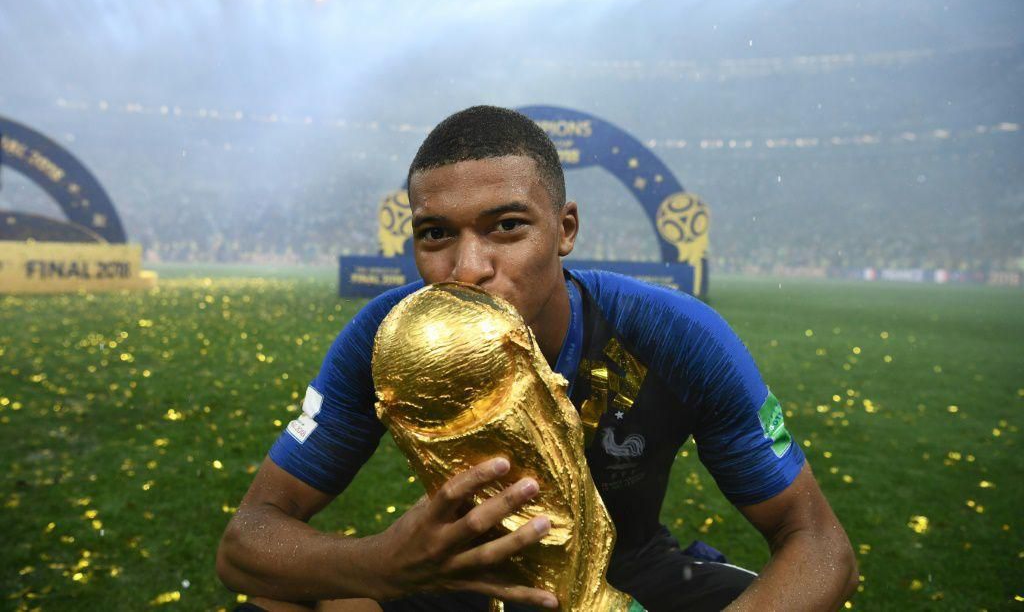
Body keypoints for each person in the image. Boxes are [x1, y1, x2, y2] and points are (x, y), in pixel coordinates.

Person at [216, 106, 858, 611]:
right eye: (436, 234)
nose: (469, 268)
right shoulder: (386, 339)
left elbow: (820, 544)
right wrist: (378, 565)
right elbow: (246, 541)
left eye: (507, 226)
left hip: (631, 571)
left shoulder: (672, 333)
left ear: (565, 229)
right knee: (285, 598)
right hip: (465, 576)